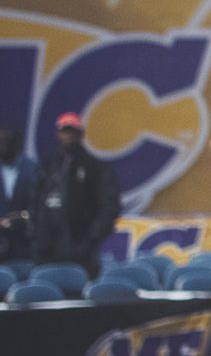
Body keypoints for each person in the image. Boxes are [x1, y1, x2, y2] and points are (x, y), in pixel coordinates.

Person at [30, 112, 121, 278]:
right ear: (58, 134)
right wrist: (38, 235)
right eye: (65, 132)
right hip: (48, 247)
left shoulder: (94, 167)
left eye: (73, 132)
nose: (68, 136)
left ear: (81, 134)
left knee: (81, 291)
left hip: (82, 246)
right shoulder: (48, 167)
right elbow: (34, 202)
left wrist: (92, 238)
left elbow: (109, 206)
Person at [0, 126, 37, 264]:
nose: (2, 147)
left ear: (16, 145)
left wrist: (22, 217)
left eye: (6, 142)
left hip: (24, 241)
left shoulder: (33, 168)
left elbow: (39, 203)